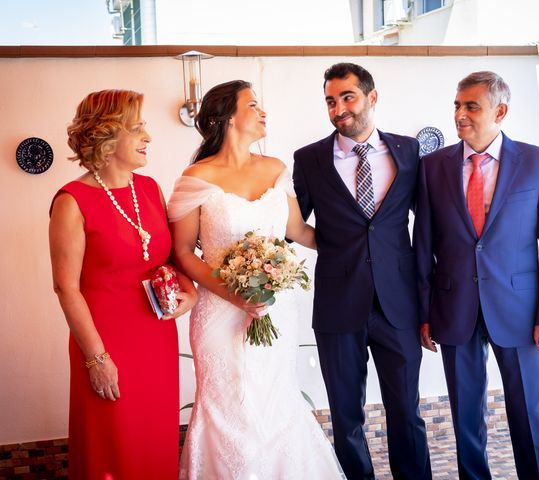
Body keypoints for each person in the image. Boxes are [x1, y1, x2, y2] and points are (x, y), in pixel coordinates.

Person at [168, 80, 344, 479]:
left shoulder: (275, 169)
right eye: (253, 104)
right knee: (228, 405)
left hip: (275, 313)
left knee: (275, 400)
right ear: (227, 117)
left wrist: (358, 239)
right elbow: (181, 252)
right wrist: (235, 295)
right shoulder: (196, 178)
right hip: (219, 313)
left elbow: (300, 232)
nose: (263, 111)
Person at [414, 71, 539, 479]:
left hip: (521, 312)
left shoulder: (537, 161)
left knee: (530, 416)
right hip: (453, 308)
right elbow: (422, 247)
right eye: (457, 105)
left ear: (500, 111)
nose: (460, 115)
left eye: (471, 106)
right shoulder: (432, 167)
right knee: (466, 419)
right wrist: (425, 312)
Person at [293, 63, 431, 480]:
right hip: (338, 306)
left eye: (347, 97)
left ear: (372, 97)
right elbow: (292, 224)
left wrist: (429, 304)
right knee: (346, 416)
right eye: (331, 101)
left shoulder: (410, 153)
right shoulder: (310, 159)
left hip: (399, 305)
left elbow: (426, 231)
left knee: (406, 411)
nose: (338, 109)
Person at [49, 89, 197, 479]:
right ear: (106, 137)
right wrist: (97, 359)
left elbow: (167, 258)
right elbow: (66, 288)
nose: (148, 136)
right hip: (103, 344)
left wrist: (190, 292)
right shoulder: (71, 201)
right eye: (137, 128)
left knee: (154, 440)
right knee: (110, 447)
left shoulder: (149, 189)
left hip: (155, 339)